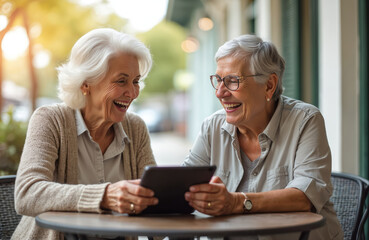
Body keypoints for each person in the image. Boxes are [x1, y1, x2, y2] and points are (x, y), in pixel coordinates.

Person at [183, 34, 343, 240]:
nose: (220, 93)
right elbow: (184, 186)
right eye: (218, 80)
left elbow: (305, 197)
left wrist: (236, 202)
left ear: (269, 85)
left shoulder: (305, 120)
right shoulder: (212, 127)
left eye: (232, 81)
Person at [12, 28, 158, 239]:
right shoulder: (50, 120)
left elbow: (154, 198)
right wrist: (104, 196)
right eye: (121, 81)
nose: (133, 93)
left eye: (135, 81)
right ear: (85, 84)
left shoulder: (135, 128)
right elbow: (27, 194)